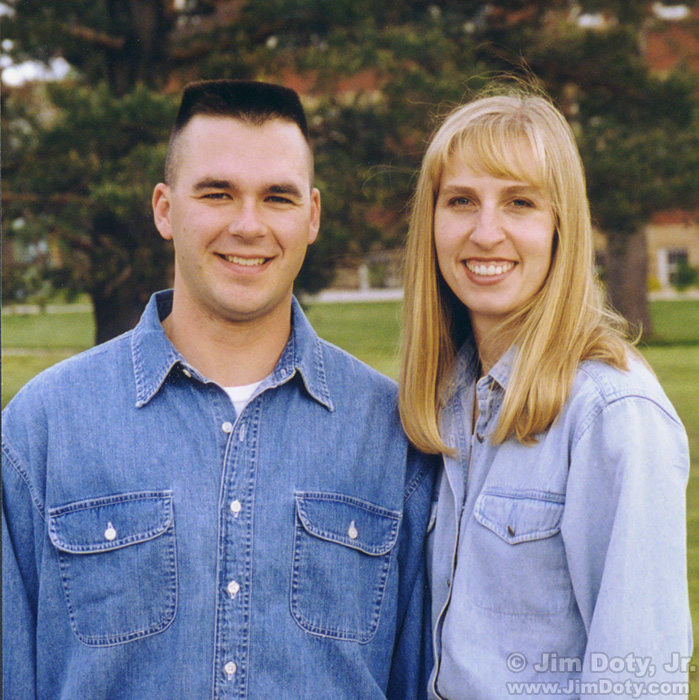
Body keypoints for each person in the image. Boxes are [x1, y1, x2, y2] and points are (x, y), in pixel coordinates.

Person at [2, 79, 435, 700]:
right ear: (164, 208)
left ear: (311, 217)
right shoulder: (40, 430)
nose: (248, 224)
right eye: (218, 193)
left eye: (277, 198)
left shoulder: (394, 436)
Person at [399, 86, 692, 699]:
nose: (485, 232)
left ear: (562, 225)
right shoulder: (448, 399)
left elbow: (637, 677)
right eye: (460, 201)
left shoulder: (611, 414)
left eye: (519, 203)